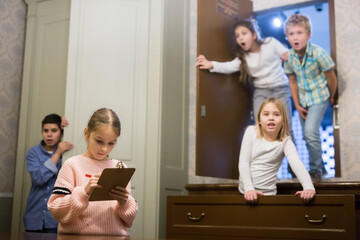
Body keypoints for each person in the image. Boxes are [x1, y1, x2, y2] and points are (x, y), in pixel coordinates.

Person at [47, 108, 138, 236]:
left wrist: (125, 202)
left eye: (111, 143)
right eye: (99, 141)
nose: (104, 149)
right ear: (86, 133)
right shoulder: (72, 165)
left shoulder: (120, 168)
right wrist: (84, 192)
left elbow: (128, 221)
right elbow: (56, 211)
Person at [195, 18, 292, 125]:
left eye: (244, 33)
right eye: (237, 36)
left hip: (281, 88)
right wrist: (211, 64)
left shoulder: (270, 43)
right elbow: (229, 66)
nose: (240, 38)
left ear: (254, 35)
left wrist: (287, 56)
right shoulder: (243, 58)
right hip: (261, 91)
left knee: (285, 125)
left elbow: (288, 55)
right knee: (260, 124)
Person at [283, 14, 338, 181]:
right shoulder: (289, 57)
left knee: (309, 133)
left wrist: (332, 96)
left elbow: (332, 78)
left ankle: (316, 172)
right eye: (291, 34)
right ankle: (322, 167)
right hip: (303, 100)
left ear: (308, 34)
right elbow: (292, 82)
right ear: (287, 37)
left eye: (299, 33)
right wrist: (297, 105)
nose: (295, 37)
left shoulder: (319, 53)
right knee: (308, 137)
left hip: (319, 97)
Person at [238, 98, 315, 204]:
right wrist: (249, 188)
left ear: (283, 121)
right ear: (259, 120)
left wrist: (308, 187)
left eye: (276, 114)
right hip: (246, 192)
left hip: (268, 194)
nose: (271, 118)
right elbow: (244, 162)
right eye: (266, 114)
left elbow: (297, 164)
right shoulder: (251, 132)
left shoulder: (285, 141)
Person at [24, 114, 73, 233]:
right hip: (34, 217)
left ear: (61, 133)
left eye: (54, 130)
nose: (49, 134)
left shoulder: (67, 155)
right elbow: (39, 178)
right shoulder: (33, 153)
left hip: (55, 219)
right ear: (42, 132)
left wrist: (70, 124)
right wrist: (57, 154)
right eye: (46, 130)